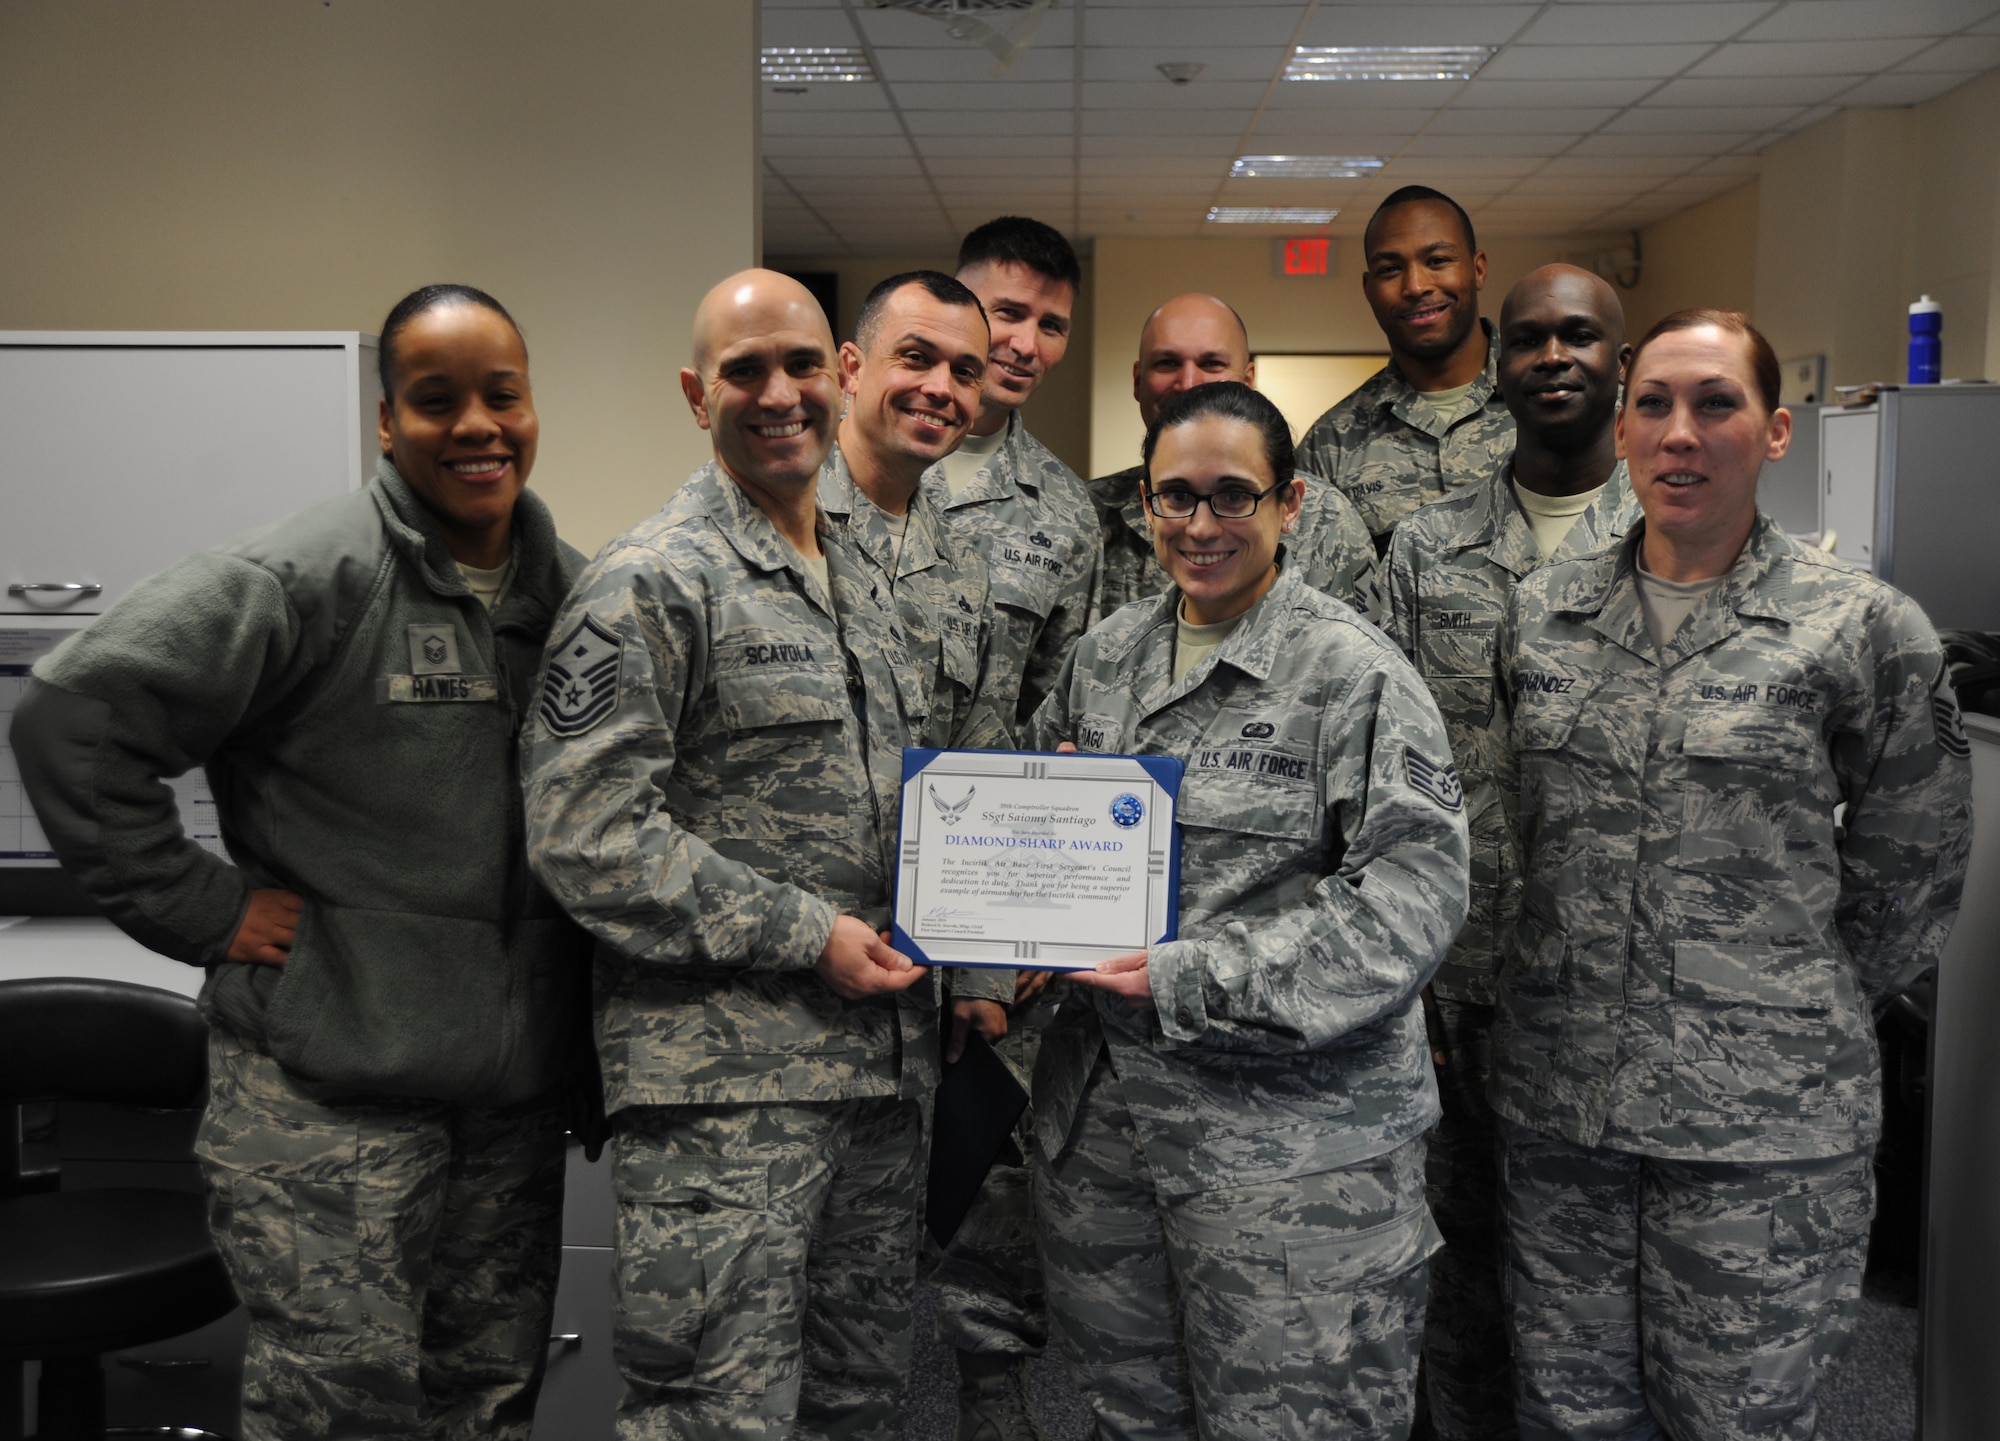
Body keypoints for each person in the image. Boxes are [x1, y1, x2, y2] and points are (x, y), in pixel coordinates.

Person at [10, 285, 591, 1440]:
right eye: (436, 401)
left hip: (502, 1106)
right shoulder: (309, 573)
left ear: (532, 407)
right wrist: (204, 909)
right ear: (386, 421)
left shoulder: (567, 592)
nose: (475, 424)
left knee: (485, 1403)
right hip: (330, 1097)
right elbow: (69, 717)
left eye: (501, 395)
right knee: (339, 1413)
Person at [1491, 310, 1973, 1441]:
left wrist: (1777, 1005)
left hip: (1763, 1128)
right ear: (1619, 431)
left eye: (1714, 404)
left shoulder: (1861, 626)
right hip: (1565, 1115)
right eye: (1652, 403)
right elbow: (1518, 838)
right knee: (1566, 1416)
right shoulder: (1542, 618)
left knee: (1739, 1420)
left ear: (1772, 432)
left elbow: (1913, 866)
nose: (1678, 432)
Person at [522, 270, 950, 1441]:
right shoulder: (649, 579)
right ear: (692, 394)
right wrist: (805, 932)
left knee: (858, 1402)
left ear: (843, 375)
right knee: (717, 1414)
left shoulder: (863, 578)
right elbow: (587, 833)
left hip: (878, 1078)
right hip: (724, 1096)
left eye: (802, 364)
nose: (779, 395)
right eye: (744, 371)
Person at [1025, 381, 1471, 1441]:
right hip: (1111, 1144)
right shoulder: (1104, 659)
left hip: (1293, 1164)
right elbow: (1027, 819)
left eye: (1233, 496)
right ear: (1142, 504)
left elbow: (1410, 900)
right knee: (1129, 1416)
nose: (1200, 525)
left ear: (1289, 504)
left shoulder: (1352, 673)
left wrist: (1199, 974)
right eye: (1173, 497)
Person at [1384, 264, 1641, 1441]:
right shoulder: (1425, 550)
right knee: (1453, 1291)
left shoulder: (1676, 538)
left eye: (1578, 335)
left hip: (1614, 1010)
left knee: (1594, 1312)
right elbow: (1373, 776)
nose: (1552, 356)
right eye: (1528, 339)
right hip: (1451, 993)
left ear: (1618, 364)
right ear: (1495, 370)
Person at [920, 215, 1103, 1437]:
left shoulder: (1065, 515)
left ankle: (988, 1407)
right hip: (832, 897)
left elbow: (1058, 739)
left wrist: (1007, 942)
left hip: (986, 914)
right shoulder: (836, 471)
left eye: (1048, 324)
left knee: (990, 1200)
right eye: (1004, 311)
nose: (1023, 342)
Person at [819, 268, 1016, 1069]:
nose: (941, 388)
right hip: (757, 1021)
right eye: (915, 358)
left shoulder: (964, 565)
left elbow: (983, 759)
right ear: (851, 368)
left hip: (908, 1027)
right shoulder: (774, 528)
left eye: (965, 371)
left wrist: (981, 965)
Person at [1089, 291, 1378, 618]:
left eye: (1211, 363)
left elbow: (1359, 648)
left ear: (1248, 380)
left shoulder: (1326, 519)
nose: (1188, 383)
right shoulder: (1088, 515)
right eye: (1167, 363)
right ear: (1138, 381)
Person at [1296, 186, 1516, 554]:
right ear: (1368, 289)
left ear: (1478, 269)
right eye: (1391, 269)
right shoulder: (1330, 445)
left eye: (1437, 261)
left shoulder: (1552, 401)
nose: (1415, 286)